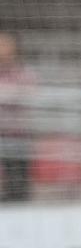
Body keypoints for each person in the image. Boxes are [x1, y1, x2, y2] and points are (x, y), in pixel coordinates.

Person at [0, 32, 35, 202]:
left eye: (5, 44)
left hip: (17, 135)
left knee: (18, 182)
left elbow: (30, 94)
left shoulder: (23, 73)